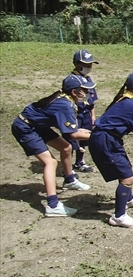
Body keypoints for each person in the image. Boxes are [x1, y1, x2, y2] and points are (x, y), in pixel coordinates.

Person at [11, 74, 95, 217]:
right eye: (84, 90)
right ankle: (53, 205)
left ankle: (69, 180)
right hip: (25, 128)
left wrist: (80, 130)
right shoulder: (66, 105)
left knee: (66, 147)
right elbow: (73, 135)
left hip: (37, 125)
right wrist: (98, 135)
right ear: (74, 92)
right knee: (50, 162)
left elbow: (69, 129)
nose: (87, 93)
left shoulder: (65, 99)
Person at [88, 71, 133, 228]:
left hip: (111, 139)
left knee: (126, 169)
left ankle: (129, 199)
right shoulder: (131, 105)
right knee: (127, 177)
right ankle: (119, 216)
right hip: (105, 141)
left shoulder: (126, 99)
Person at [63, 49, 99, 173]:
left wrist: (93, 116)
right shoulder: (70, 80)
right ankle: (68, 168)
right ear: (78, 64)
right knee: (71, 140)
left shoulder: (88, 80)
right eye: (86, 64)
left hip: (86, 114)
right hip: (75, 114)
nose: (89, 67)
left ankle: (80, 162)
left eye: (90, 64)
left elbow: (92, 100)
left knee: (84, 138)